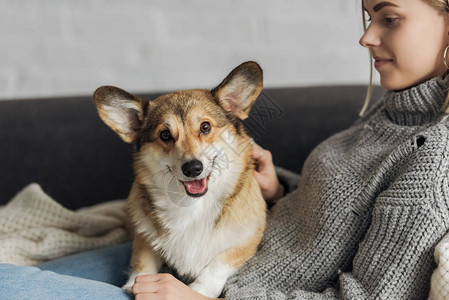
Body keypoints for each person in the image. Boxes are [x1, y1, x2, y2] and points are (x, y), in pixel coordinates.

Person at [2, 0, 449, 298]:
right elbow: (336, 217)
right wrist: (279, 189)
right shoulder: (388, 115)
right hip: (193, 254)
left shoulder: (434, 158)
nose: (366, 37)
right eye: (367, 17)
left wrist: (205, 296)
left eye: (389, 18)